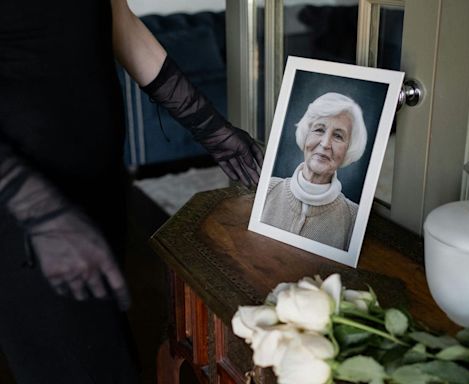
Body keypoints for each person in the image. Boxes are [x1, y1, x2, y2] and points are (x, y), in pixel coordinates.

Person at [0, 0, 263, 383]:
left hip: (96, 184)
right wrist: (42, 213)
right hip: (22, 208)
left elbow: (118, 20)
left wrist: (211, 128)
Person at [261, 92, 367, 250]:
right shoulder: (267, 189)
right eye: (319, 130)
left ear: (349, 149)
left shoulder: (354, 218)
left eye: (338, 136)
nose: (325, 144)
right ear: (305, 135)